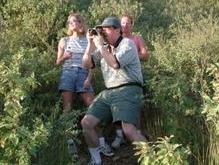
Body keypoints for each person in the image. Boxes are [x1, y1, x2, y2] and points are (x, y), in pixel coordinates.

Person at [81, 17, 147, 165]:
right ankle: (96, 161)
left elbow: (115, 64)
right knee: (87, 122)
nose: (103, 31)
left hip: (128, 87)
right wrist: (90, 45)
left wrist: (100, 46)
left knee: (129, 130)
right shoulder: (105, 48)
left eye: (107, 28)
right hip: (109, 91)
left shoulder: (127, 44)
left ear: (117, 30)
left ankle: (153, 159)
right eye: (101, 29)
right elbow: (86, 65)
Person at [56, 13, 113, 160]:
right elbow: (58, 62)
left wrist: (89, 78)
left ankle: (101, 143)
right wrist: (65, 57)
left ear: (82, 23)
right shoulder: (64, 40)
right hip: (68, 73)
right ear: (69, 25)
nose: (75, 23)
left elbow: (91, 64)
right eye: (72, 21)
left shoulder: (89, 40)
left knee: (93, 109)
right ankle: (70, 145)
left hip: (83, 74)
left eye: (78, 20)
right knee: (67, 110)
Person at [111, 14, 149, 149]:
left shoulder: (137, 39)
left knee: (134, 106)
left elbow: (145, 56)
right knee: (116, 105)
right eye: (122, 23)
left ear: (132, 25)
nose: (125, 25)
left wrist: (130, 54)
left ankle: (137, 134)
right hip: (116, 78)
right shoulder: (114, 40)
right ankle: (119, 135)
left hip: (132, 77)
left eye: (128, 23)